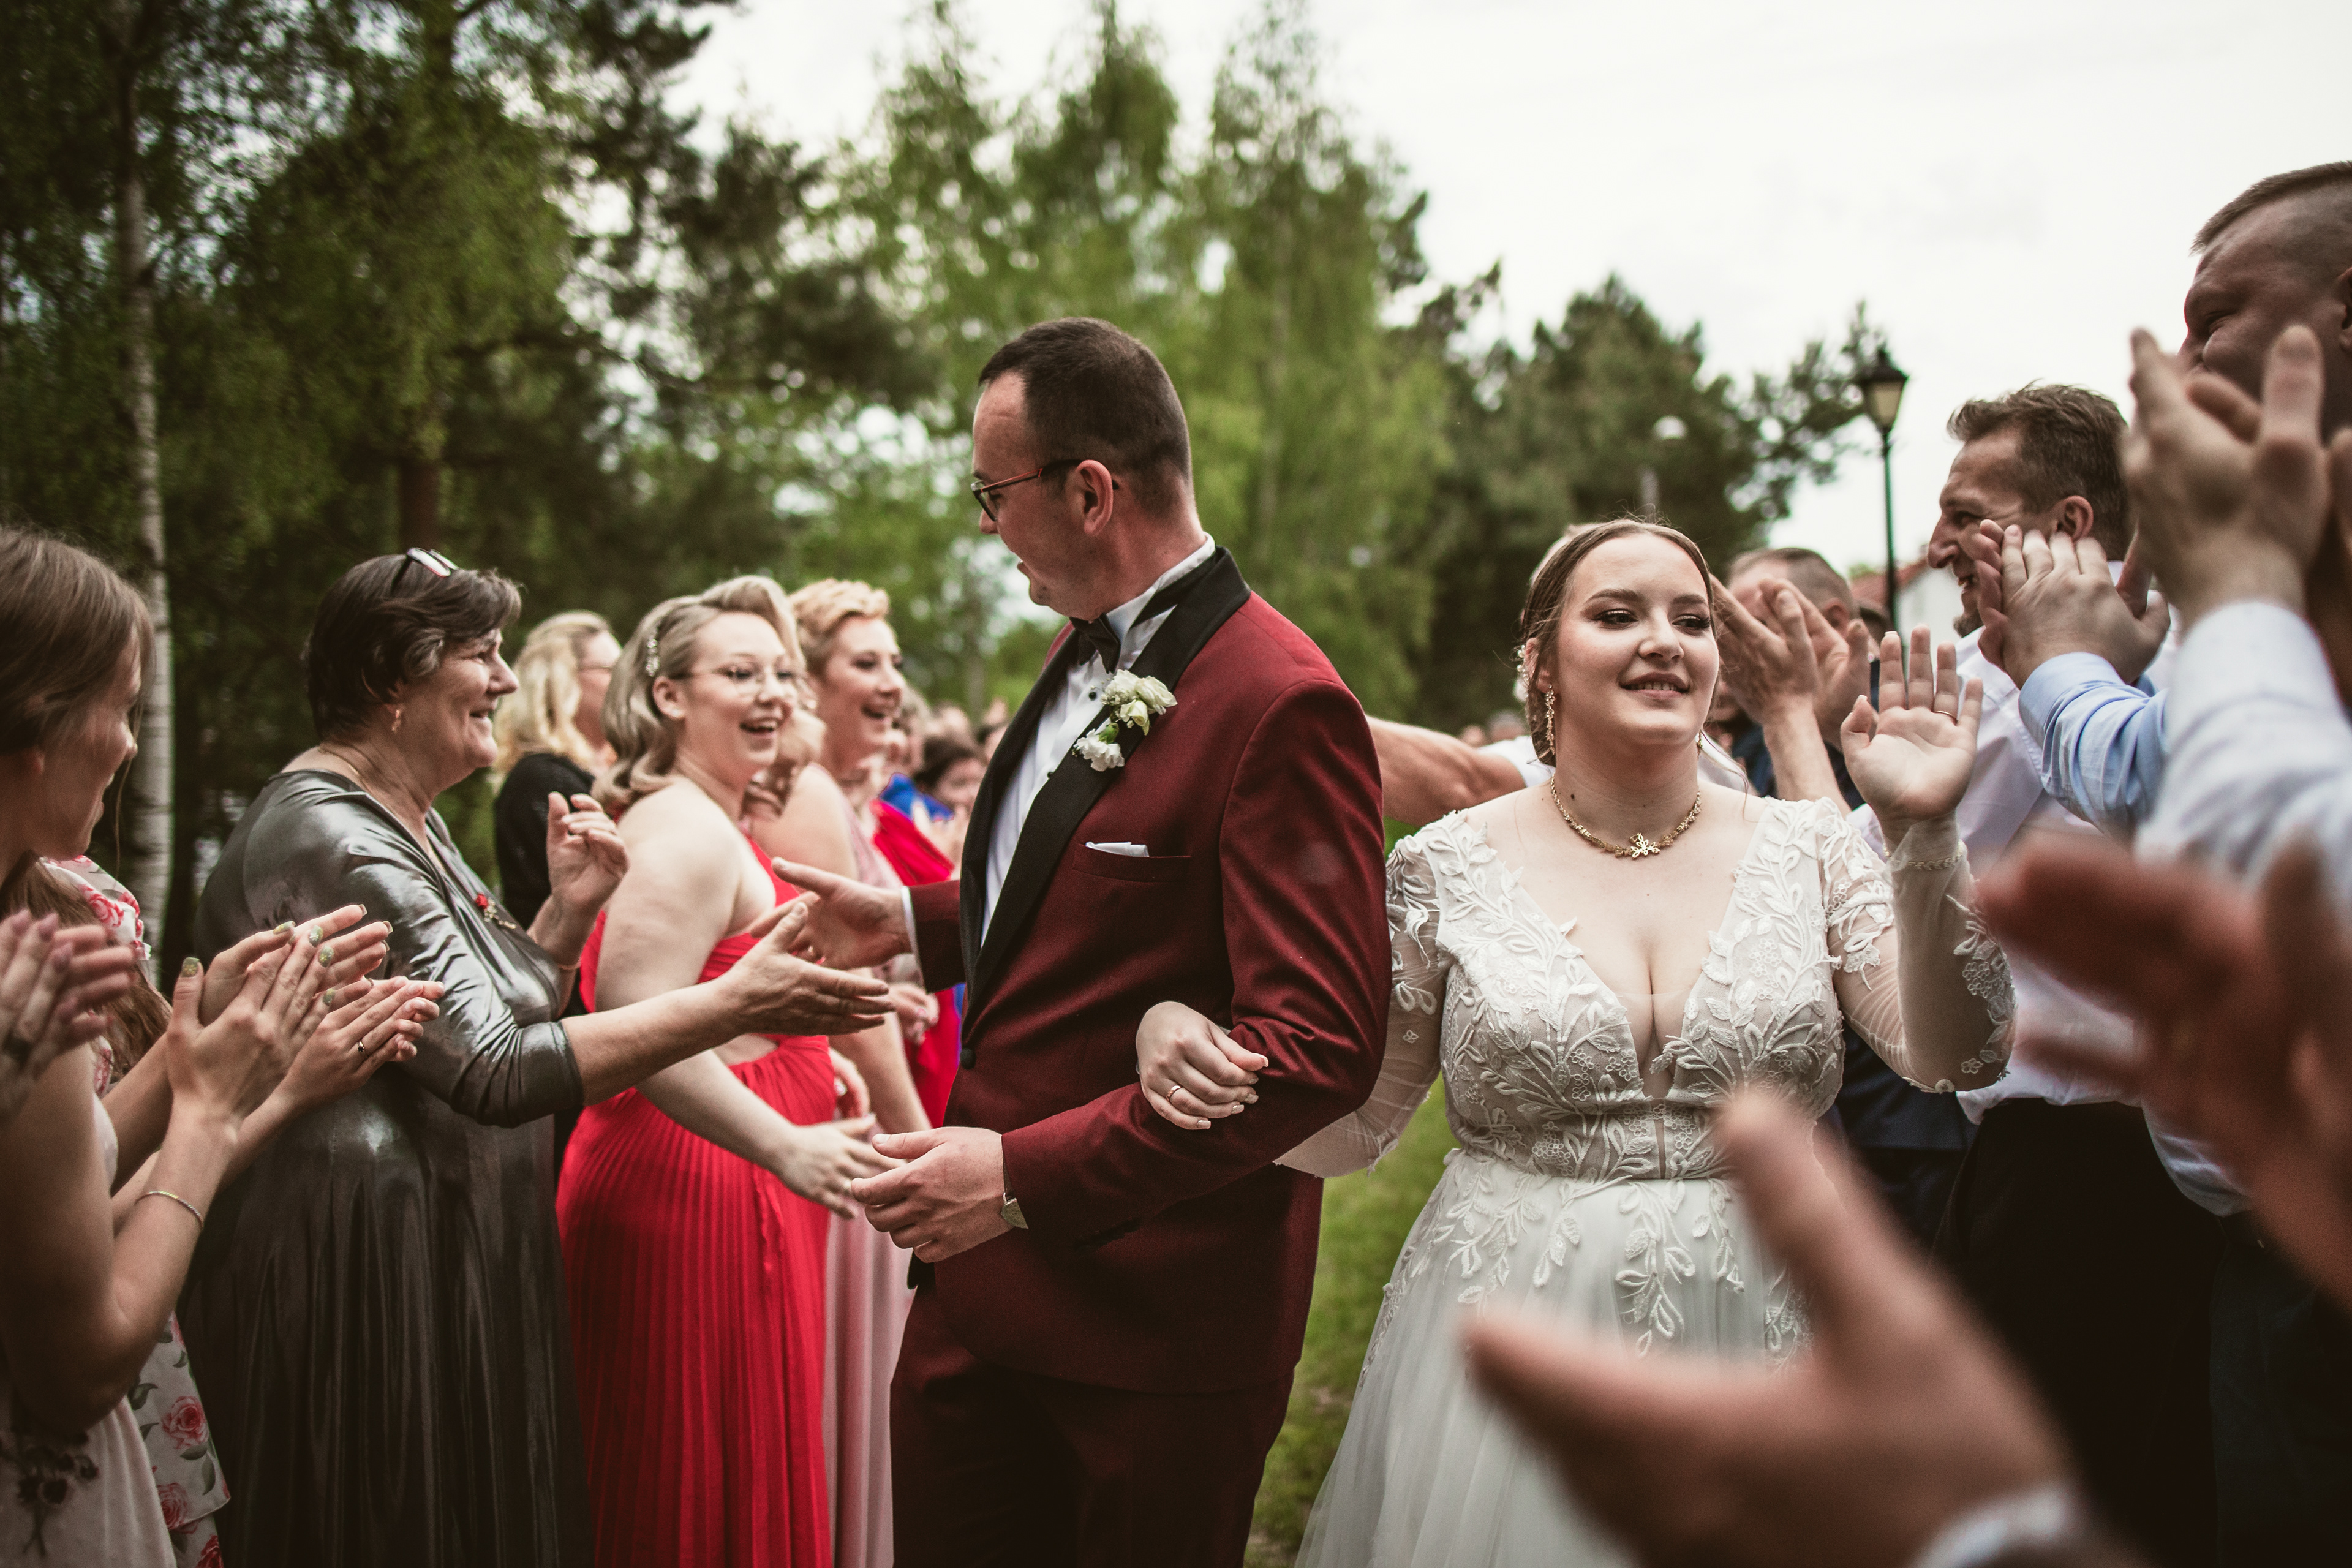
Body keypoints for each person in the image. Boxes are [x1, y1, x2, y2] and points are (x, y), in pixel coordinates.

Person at [1139, 518, 2013, 1566]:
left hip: (1773, 1318)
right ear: (1541, 664)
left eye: (1692, 620)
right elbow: (1352, 1128)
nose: (1665, 641)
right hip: (1518, 1317)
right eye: (1617, 614)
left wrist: (1924, 833)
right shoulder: (1444, 867)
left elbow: (1959, 1058)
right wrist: (1188, 1036)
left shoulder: (1811, 848)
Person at [776, 315, 1390, 1565]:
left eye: (990, 495)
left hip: (1149, 1337)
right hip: (974, 1314)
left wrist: (1014, 1179)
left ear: (1091, 491)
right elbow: (1099, 894)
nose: (985, 527)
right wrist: (912, 924)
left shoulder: (1280, 701)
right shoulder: (1077, 648)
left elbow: (1319, 1046)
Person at [180, 549, 890, 1568]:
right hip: (358, 1261)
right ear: (389, 678)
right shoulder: (332, 833)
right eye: (480, 654)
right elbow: (497, 1069)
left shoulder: (403, 815)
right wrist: (731, 1004)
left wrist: (562, 920)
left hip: (430, 1242)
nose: (508, 680)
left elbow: (484, 1009)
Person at [0, 527, 397, 1567]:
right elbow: (81, 1368)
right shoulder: (24, 987)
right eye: (122, 709)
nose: (131, 745)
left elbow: (50, 1167)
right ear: (38, 723)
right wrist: (215, 1112)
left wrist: (192, 1050)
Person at [1901, 385, 2223, 1567]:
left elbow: (1882, 879)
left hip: (2091, 1185)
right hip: (2099, 1176)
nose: (1938, 542)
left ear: (2066, 521)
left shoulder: (2032, 687)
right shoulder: (2137, 670)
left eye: (1964, 514)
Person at [557, 576, 893, 1568]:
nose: (774, 695)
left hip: (731, 1174)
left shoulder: (709, 816)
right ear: (669, 695)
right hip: (695, 1194)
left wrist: (804, 1055)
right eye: (741, 674)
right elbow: (632, 1019)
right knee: (687, 1490)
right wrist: (784, 1139)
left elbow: (721, 1000)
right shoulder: (687, 831)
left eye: (782, 675)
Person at [2088, 316, 2352, 1560]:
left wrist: (2241, 593)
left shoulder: (2231, 594)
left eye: (2218, 317)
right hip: (2265, 1246)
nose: (2186, 362)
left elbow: (2274, 840)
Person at [1716, 550, 1975, 1251]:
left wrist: (1796, 719)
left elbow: (1872, 895)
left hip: (1905, 1106)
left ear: (1828, 619)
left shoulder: (1892, 718)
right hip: (1828, 1096)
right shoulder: (1758, 738)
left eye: (1753, 622)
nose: (1735, 647)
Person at [780, 576, 943, 1568]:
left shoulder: (856, 799)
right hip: (852, 1113)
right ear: (809, 680)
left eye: (894, 662)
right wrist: (914, 1131)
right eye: (866, 663)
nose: (891, 682)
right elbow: (837, 987)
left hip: (876, 1093)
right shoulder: (805, 797)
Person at [494, 610, 621, 926]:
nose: (625, 680)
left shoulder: (615, 769)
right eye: (611, 669)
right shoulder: (542, 779)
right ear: (561, 679)